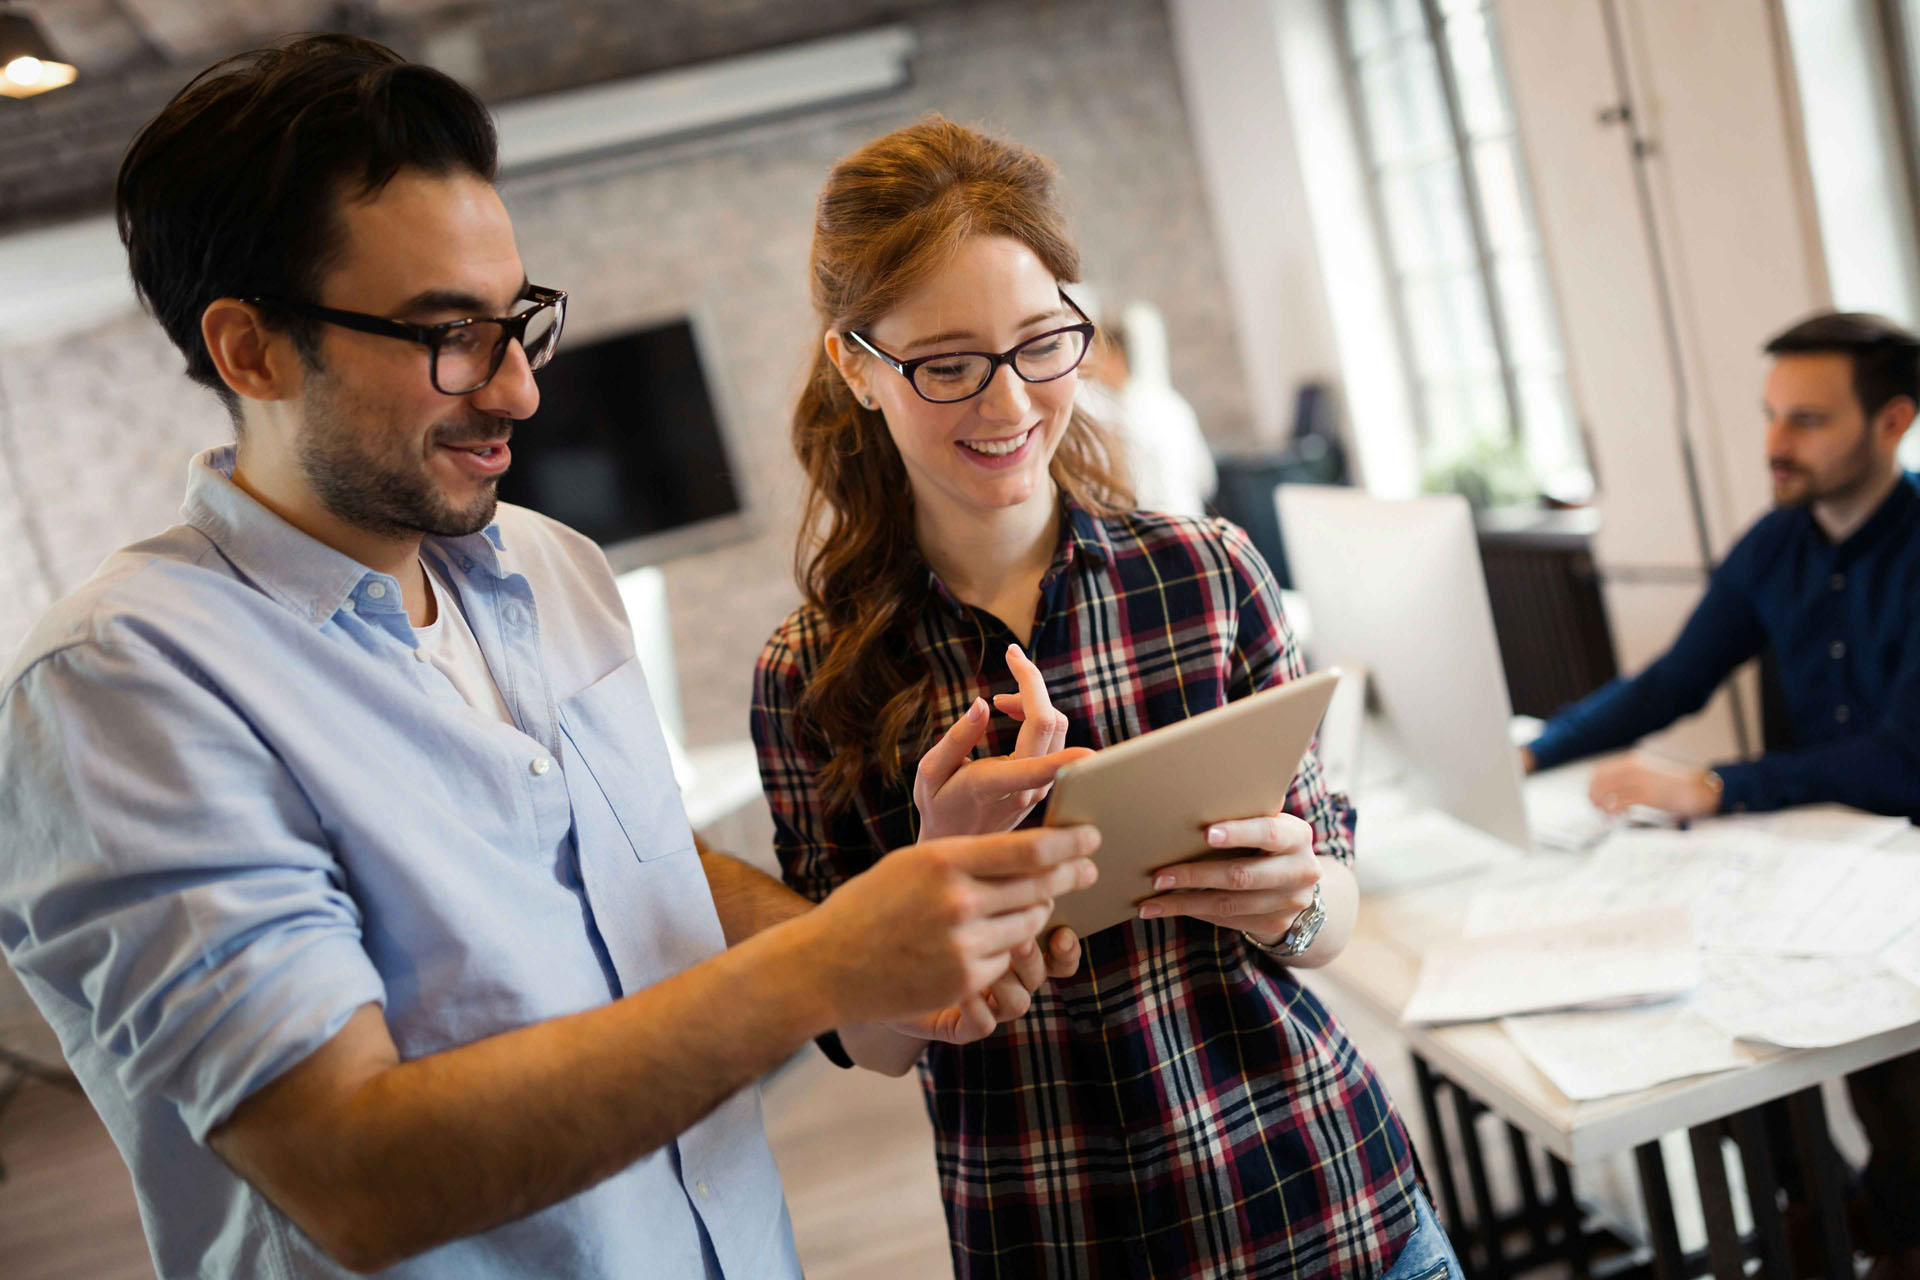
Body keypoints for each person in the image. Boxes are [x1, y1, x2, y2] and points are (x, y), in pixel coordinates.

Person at [0, 39, 1101, 1279]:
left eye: (517, 320)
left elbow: (634, 858)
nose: (521, 389)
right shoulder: (124, 686)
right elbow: (348, 1172)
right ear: (251, 350)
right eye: (448, 336)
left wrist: (873, 955)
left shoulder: (549, 565)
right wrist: (827, 960)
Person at [751, 116, 1449, 1279]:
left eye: (1042, 344)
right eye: (947, 364)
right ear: (857, 368)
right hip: (1057, 1235)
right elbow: (863, 1042)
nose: (1010, 403)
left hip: (1330, 1208)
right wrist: (930, 894)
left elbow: (1336, 909)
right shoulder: (813, 678)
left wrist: (1292, 898)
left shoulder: (1206, 572)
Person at [1521, 311, 1920, 1275]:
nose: (1776, 445)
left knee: (1895, 1085)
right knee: (1719, 1032)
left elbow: (1904, 760)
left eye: (1809, 421)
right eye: (1771, 416)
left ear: (1894, 423)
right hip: (1818, 858)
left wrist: (1712, 785)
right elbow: (1671, 684)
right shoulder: (1776, 545)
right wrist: (1538, 753)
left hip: (1904, 864)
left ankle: (1884, 1222)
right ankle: (1840, 1211)